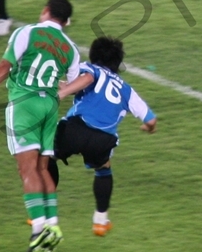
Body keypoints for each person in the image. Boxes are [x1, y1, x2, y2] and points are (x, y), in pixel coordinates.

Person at [0, 0, 81, 252]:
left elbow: (5, 65)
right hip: (50, 107)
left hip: (24, 105)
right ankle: (53, 226)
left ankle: (37, 231)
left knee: (27, 169)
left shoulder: (27, 32)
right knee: (43, 167)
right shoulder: (71, 49)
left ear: (45, 12)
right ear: (66, 22)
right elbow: (70, 85)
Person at [50, 36, 156, 237]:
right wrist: (147, 128)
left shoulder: (91, 69)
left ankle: (43, 210)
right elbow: (151, 121)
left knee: (46, 157)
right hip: (103, 140)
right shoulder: (126, 89)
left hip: (76, 128)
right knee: (103, 169)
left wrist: (63, 92)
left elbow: (87, 79)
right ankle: (100, 221)